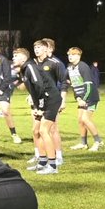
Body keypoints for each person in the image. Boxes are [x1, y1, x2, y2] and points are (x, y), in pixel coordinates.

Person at [12, 44, 61, 174]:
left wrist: (40, 107)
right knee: (36, 131)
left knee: (44, 131)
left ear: (24, 58)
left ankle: (52, 165)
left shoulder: (30, 67)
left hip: (51, 99)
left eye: (16, 56)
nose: (13, 58)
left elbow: (39, 86)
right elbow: (29, 88)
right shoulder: (24, 69)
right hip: (42, 101)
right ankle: (42, 161)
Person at [66, 47, 103, 151]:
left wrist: (84, 99)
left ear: (79, 56)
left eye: (73, 54)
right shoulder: (70, 68)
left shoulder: (83, 66)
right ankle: (83, 143)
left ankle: (98, 141)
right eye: (69, 54)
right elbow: (73, 84)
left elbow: (89, 85)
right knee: (80, 120)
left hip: (90, 97)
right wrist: (78, 98)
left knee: (85, 119)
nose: (70, 56)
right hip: (81, 98)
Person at [41, 38, 68, 166]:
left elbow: (64, 82)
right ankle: (43, 156)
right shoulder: (40, 62)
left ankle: (59, 156)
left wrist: (63, 100)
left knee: (53, 128)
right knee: (41, 129)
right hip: (42, 99)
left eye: (44, 46)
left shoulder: (57, 63)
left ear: (50, 48)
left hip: (54, 99)